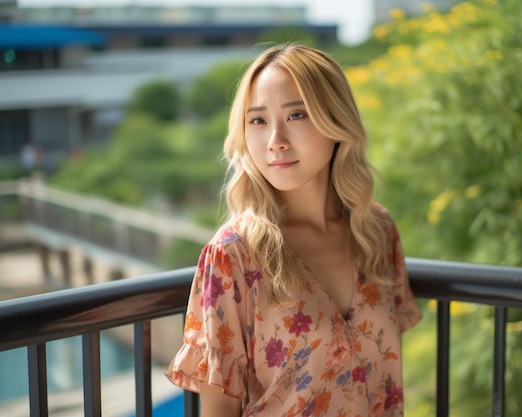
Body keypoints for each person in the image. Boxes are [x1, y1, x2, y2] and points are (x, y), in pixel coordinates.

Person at [166, 43, 422, 417]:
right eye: (257, 121)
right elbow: (218, 410)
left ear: (336, 121)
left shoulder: (377, 231)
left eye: (297, 115)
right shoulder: (233, 256)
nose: (275, 141)